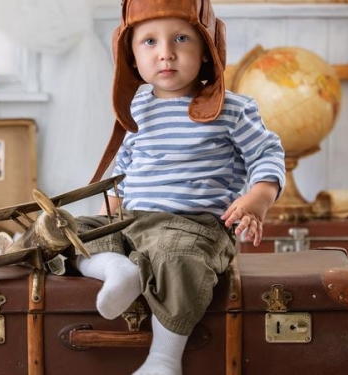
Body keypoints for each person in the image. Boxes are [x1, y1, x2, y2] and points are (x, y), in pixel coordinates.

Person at [75, 0, 286, 374]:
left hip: (192, 225)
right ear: (131, 56)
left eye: (181, 39)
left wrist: (257, 199)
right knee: (64, 230)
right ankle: (116, 269)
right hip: (132, 220)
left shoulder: (232, 109)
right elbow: (124, 168)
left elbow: (266, 154)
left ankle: (163, 358)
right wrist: (108, 212)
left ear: (207, 50)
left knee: (178, 258)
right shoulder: (136, 106)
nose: (166, 54)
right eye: (150, 42)